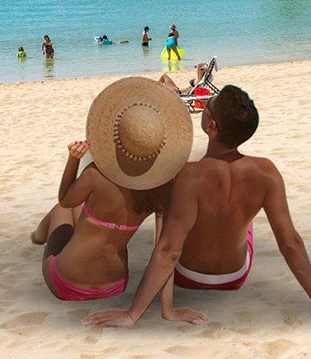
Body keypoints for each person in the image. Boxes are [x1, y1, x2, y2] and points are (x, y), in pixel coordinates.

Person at [84, 84, 311, 328]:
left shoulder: (187, 175)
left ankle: (163, 306)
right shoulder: (267, 172)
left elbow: (168, 250)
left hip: (188, 275)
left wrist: (134, 314)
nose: (206, 104)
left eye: (209, 105)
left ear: (211, 126)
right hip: (235, 276)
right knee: (241, 216)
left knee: (170, 213)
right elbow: (290, 242)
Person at [30, 77, 203, 322]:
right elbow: (164, 251)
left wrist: (73, 159)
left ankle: (36, 237)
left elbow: (65, 198)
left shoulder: (95, 175)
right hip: (115, 284)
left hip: (66, 282)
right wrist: (168, 310)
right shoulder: (162, 188)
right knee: (84, 212)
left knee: (61, 210)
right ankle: (39, 235)